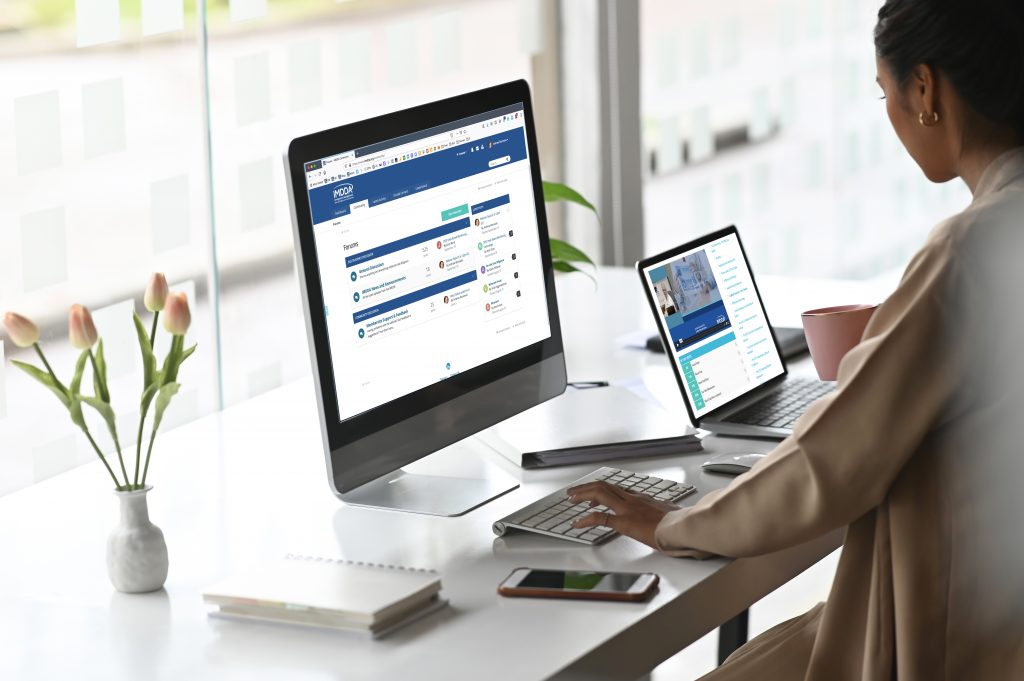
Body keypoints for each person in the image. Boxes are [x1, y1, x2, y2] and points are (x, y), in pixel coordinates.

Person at [569, 1, 1024, 678]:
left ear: (924, 90)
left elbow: (830, 461)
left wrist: (675, 522)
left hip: (954, 640)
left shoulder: (967, 251)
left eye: (884, 92)